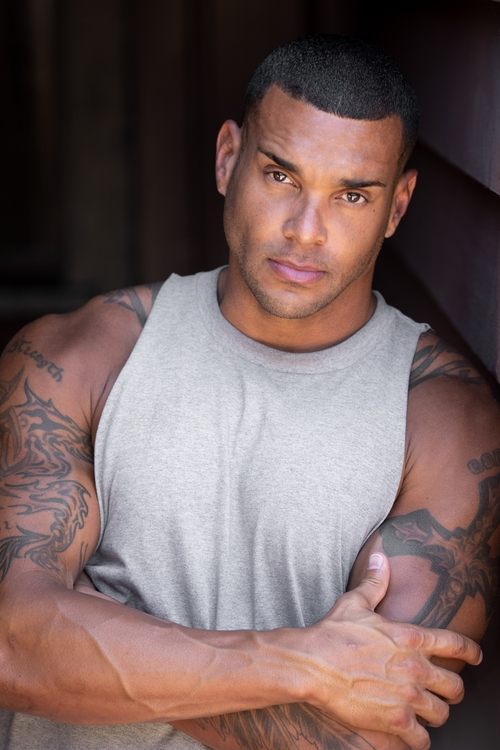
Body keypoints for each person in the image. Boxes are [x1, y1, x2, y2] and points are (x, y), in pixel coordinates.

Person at [0, 32, 498, 750]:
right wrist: (302, 665)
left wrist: (84, 647)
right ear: (227, 158)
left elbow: (373, 730)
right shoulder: (74, 358)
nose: (306, 231)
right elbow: (14, 646)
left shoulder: (445, 421)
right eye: (281, 176)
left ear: (396, 206)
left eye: (352, 195)